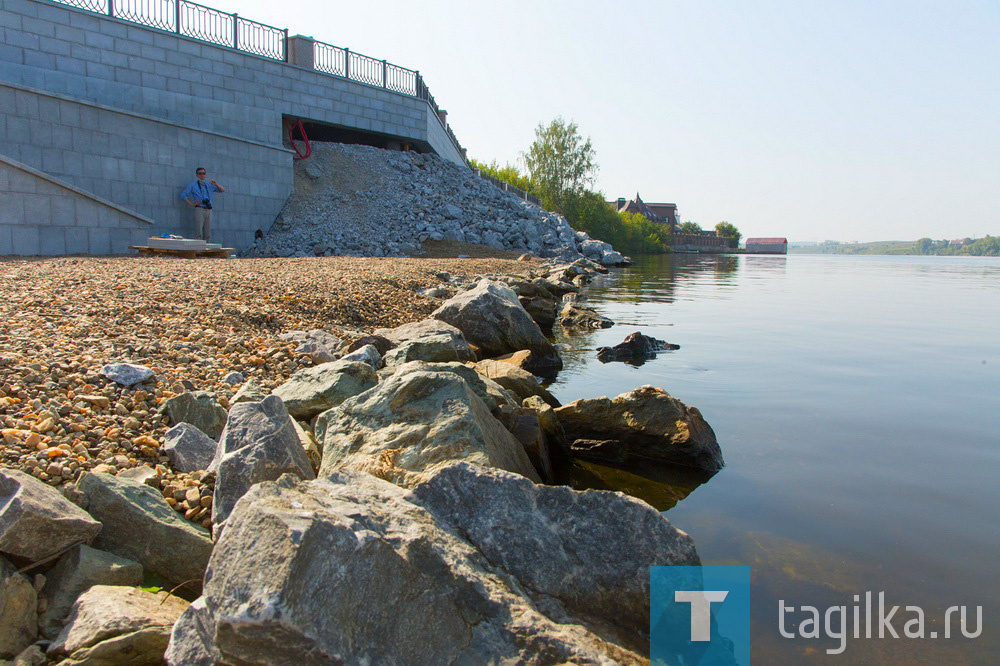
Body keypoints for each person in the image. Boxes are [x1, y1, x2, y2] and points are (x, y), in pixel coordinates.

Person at [180, 167, 225, 241]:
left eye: (203, 173)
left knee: (208, 232)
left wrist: (216, 184)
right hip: (200, 209)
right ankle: (199, 249)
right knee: (199, 232)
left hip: (209, 209)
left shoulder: (209, 185)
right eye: (200, 173)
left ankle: (206, 249)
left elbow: (222, 190)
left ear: (205, 175)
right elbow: (183, 195)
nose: (202, 175)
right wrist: (192, 204)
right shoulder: (193, 185)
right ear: (197, 175)